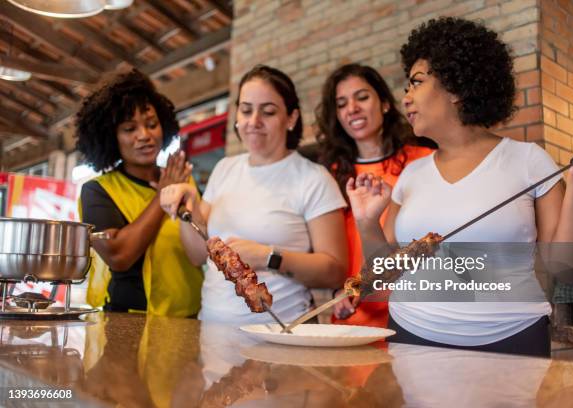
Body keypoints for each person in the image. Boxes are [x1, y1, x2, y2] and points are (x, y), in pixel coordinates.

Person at [348, 17, 573, 356]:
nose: (407, 98)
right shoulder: (411, 175)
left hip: (511, 339)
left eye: (416, 82)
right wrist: (367, 222)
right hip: (411, 335)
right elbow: (382, 278)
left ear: (456, 88)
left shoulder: (529, 160)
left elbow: (567, 269)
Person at [160, 65, 348, 324]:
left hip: (282, 338)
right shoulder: (225, 168)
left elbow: (335, 272)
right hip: (213, 334)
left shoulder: (313, 178)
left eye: (268, 111)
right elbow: (197, 255)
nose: (254, 121)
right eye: (246, 110)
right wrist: (187, 208)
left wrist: (268, 257)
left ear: (291, 118)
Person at [316, 63, 435, 328]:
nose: (352, 109)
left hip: (417, 318)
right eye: (342, 103)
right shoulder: (330, 176)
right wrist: (335, 292)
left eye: (362, 97)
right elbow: (327, 253)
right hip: (354, 321)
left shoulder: (424, 162)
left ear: (384, 104)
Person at [77, 69, 203, 317]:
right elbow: (119, 255)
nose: (144, 136)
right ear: (111, 137)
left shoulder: (182, 181)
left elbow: (203, 245)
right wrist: (161, 197)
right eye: (129, 128)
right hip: (130, 320)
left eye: (152, 124)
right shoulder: (98, 190)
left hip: (192, 318)